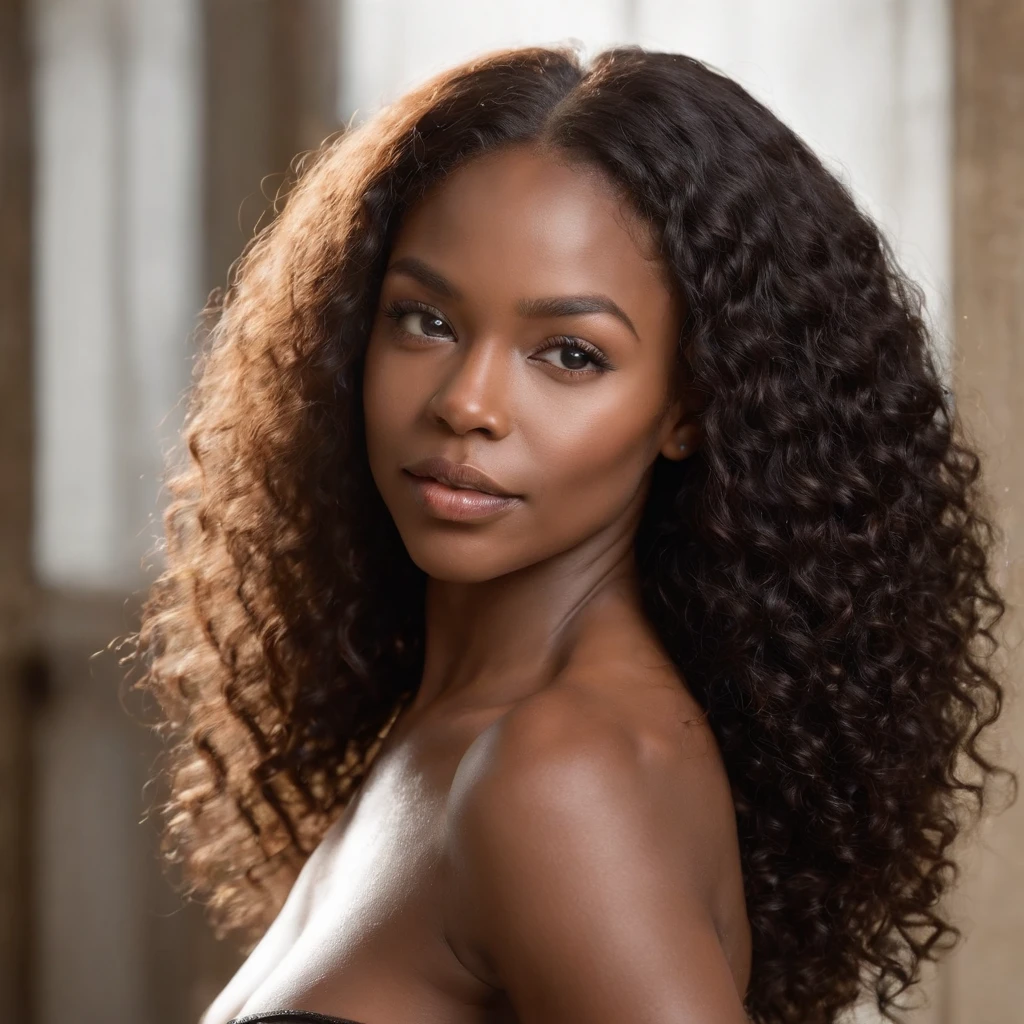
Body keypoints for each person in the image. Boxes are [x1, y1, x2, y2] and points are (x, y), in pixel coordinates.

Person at [129, 42, 1014, 1024]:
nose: (467, 402)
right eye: (424, 320)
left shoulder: (557, 775)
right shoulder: (456, 727)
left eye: (569, 353)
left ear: (688, 408)